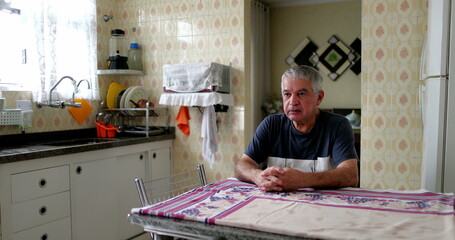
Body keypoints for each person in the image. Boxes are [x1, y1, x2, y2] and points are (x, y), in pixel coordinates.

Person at [235, 65, 359, 191]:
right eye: (287, 94)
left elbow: (350, 175)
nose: (293, 101)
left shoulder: (338, 125)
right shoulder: (271, 124)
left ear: (319, 98)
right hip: (278, 205)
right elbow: (242, 165)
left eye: (301, 94)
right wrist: (258, 176)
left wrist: (303, 180)